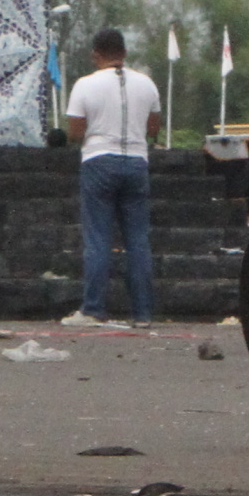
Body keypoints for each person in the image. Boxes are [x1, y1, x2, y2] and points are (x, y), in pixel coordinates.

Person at [63, 29, 162, 324]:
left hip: (98, 160)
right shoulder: (147, 84)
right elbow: (154, 128)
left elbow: (75, 132)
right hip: (136, 162)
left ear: (96, 54)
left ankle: (93, 309)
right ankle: (143, 312)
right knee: (138, 241)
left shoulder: (85, 84)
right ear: (125, 53)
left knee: (98, 239)